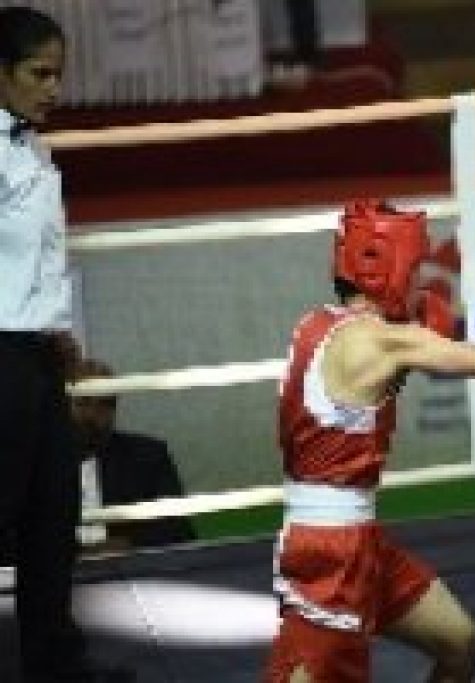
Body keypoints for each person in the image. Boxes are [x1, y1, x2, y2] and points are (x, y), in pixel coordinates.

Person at [264, 200, 475, 682]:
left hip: (357, 542)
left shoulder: (315, 326)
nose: (419, 282)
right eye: (415, 268)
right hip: (330, 553)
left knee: (461, 643)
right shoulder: (381, 341)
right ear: (386, 268)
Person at [0, 8, 136, 682]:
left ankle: (56, 664)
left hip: (37, 356)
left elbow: (40, 260)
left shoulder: (33, 147)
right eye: (38, 73)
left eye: (58, 73)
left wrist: (60, 335)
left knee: (52, 519)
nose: (52, 87)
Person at [70, 358, 195, 553]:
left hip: (131, 572)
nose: (93, 414)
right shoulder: (36, 465)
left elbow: (178, 529)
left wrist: (126, 545)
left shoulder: (148, 457)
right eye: (83, 402)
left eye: (105, 404)